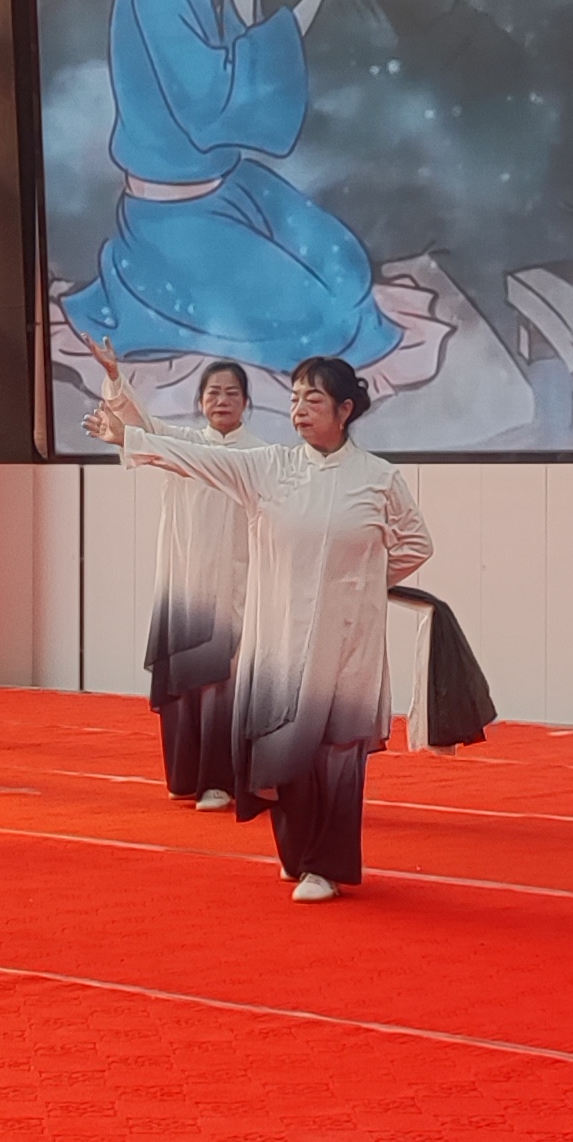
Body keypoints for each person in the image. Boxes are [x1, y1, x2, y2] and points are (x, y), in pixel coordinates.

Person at [45, 0, 435, 388]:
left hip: (226, 188)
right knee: (328, 319)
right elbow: (213, 100)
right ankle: (146, 291)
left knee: (346, 267)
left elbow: (221, 58)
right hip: (172, 224)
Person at [91, 350, 431, 902]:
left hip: (346, 639)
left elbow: (416, 542)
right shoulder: (269, 466)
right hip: (279, 635)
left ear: (345, 409)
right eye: (294, 399)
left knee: (334, 752)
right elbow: (193, 458)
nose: (299, 410)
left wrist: (361, 584)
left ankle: (325, 866)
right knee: (282, 744)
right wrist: (129, 439)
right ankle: (296, 857)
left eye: (313, 399)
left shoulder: (379, 478)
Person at [125, 358, 257, 807]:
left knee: (223, 684)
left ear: (246, 402)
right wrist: (114, 377)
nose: (222, 401)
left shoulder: (260, 456)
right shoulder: (183, 445)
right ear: (200, 401)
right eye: (213, 392)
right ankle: (185, 776)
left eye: (232, 393)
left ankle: (219, 781)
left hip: (237, 586)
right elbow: (139, 426)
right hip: (184, 585)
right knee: (185, 680)